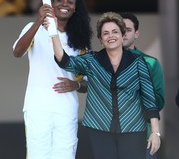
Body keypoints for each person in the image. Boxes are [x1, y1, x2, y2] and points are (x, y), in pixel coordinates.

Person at [49, 11, 161, 159]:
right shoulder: (92, 60)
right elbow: (64, 61)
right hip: (99, 127)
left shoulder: (138, 62)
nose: (111, 36)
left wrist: (155, 132)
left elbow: (149, 98)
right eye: (106, 33)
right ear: (101, 39)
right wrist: (53, 32)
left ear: (122, 36)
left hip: (133, 127)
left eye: (115, 32)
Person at [13, 0, 93, 159]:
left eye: (70, 2)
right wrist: (38, 21)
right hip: (38, 106)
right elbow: (17, 52)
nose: (65, 4)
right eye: (59, 0)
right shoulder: (34, 29)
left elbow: (88, 83)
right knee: (38, 155)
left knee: (65, 155)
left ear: (75, 8)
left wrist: (75, 84)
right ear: (51, 3)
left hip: (66, 108)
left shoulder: (80, 41)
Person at [119, 12, 165, 159]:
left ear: (136, 33)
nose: (123, 33)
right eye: (119, 29)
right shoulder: (102, 63)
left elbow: (159, 100)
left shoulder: (150, 63)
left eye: (128, 29)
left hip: (142, 135)